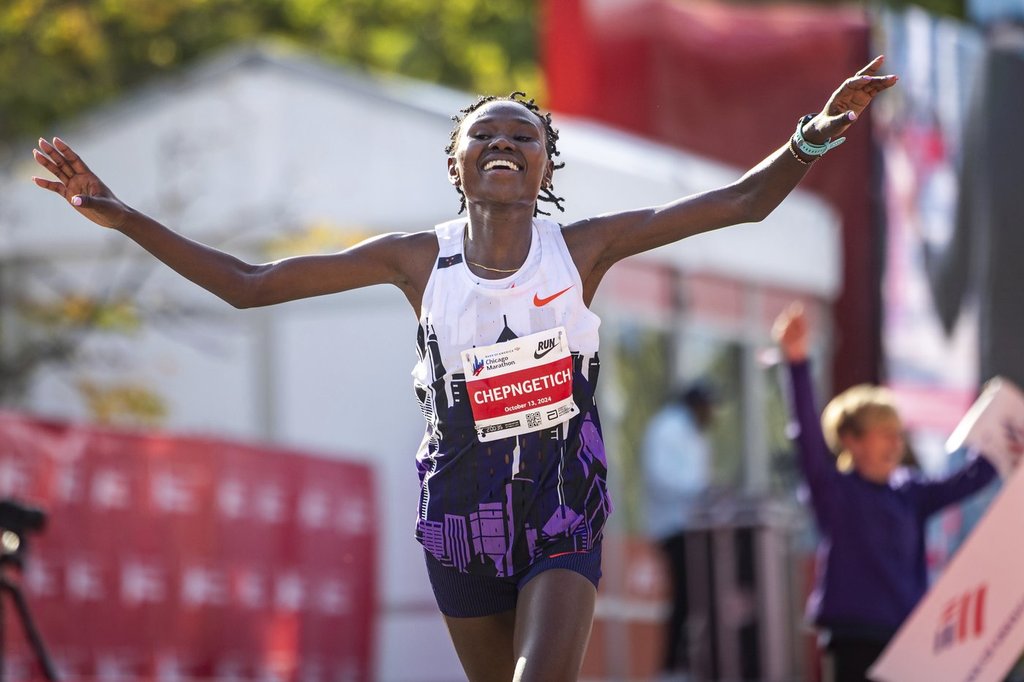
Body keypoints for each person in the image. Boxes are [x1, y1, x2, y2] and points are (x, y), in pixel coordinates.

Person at [32, 57, 896, 682]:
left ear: (546, 167)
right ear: (455, 163)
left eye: (525, 137)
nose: (505, 145)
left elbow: (742, 204)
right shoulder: (416, 259)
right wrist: (120, 216)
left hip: (562, 506)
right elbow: (250, 285)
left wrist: (818, 132)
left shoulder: (582, 248)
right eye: (485, 134)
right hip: (458, 516)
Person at [772, 303, 999, 682]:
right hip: (853, 642)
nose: (896, 443)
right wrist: (797, 362)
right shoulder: (834, 493)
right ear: (851, 441)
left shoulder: (911, 491)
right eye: (884, 433)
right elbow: (807, 438)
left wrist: (1003, 436)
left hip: (907, 641)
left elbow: (971, 479)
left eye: (898, 432)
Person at [642, 382, 717, 680]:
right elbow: (662, 477)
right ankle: (673, 669)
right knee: (685, 599)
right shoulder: (668, 428)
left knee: (697, 600)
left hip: (693, 528)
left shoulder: (693, 434)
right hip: (675, 528)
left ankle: (687, 665)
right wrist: (702, 491)